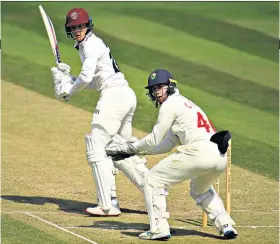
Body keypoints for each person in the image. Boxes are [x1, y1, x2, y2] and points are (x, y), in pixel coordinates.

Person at [106, 69, 238, 240]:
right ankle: (226, 225)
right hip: (219, 156)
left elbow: (154, 139)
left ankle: (159, 228)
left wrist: (130, 149)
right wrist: (137, 150)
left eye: (160, 87)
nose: (156, 92)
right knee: (200, 189)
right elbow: (165, 144)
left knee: (152, 180)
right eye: (153, 89)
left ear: (170, 86)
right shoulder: (184, 104)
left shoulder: (170, 105)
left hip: (198, 152)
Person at [50, 7, 137, 216]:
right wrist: (71, 79)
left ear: (88, 25)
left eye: (81, 26)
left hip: (114, 96)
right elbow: (95, 81)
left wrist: (68, 90)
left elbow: (87, 78)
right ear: (69, 29)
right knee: (121, 152)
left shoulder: (90, 46)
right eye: (74, 27)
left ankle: (107, 204)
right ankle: (155, 194)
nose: (78, 30)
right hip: (125, 95)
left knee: (97, 146)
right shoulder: (87, 45)